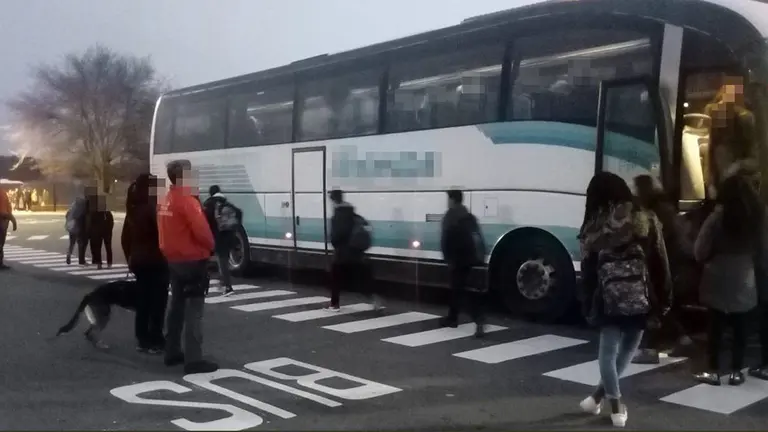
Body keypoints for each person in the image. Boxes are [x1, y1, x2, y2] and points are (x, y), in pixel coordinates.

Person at [578, 172, 672, 428]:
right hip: (641, 296)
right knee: (627, 350)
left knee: (607, 354)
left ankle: (610, 403)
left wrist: (587, 303)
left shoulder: (594, 227)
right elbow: (660, 262)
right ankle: (607, 403)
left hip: (607, 299)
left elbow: (587, 272)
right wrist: (664, 300)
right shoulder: (647, 220)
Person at [693, 174, 764, 386]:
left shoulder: (717, 217)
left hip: (717, 274)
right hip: (744, 273)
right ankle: (736, 371)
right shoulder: (758, 217)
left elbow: (700, 249)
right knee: (741, 326)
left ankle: (713, 370)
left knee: (715, 326)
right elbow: (764, 249)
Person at [158, 159, 218, 374]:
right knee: (194, 310)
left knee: (176, 306)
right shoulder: (188, 201)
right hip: (193, 260)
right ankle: (194, 359)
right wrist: (212, 247)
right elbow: (202, 232)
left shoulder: (166, 199)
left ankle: (171, 350)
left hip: (173, 259)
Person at [631, 175, 693, 364]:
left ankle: (650, 350)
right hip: (673, 264)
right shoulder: (664, 207)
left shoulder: (653, 213)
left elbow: (656, 242)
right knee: (663, 307)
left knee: (653, 306)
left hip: (664, 264)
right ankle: (682, 339)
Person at [122, 173, 169, 355]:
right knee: (158, 302)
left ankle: (142, 339)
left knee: (143, 302)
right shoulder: (152, 209)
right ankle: (155, 339)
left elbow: (125, 238)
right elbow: (162, 234)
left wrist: (130, 258)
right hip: (156, 261)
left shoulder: (133, 209)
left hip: (139, 261)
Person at [439, 189, 486, 338]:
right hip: (470, 258)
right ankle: (452, 318)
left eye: (449, 199)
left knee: (459, 290)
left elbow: (445, 239)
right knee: (458, 289)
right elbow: (477, 237)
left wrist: (447, 258)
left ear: (452, 200)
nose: (447, 201)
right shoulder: (469, 216)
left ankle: (478, 318)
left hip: (456, 259)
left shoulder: (450, 216)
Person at [326, 189, 381, 312]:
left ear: (333, 200)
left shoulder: (338, 215)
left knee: (335, 279)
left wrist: (335, 243)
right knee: (360, 278)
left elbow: (337, 236)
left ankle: (334, 305)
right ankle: (374, 299)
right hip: (357, 253)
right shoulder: (352, 213)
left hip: (342, 253)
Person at [203, 185, 243, 297]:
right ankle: (222, 283)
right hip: (230, 236)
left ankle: (227, 287)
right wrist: (235, 228)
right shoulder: (226, 203)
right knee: (223, 261)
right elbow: (239, 212)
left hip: (218, 237)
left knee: (220, 262)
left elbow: (205, 221)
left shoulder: (209, 204)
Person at [87, 192, 114, 269]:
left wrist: (91, 232)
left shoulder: (95, 212)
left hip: (98, 232)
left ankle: (99, 263)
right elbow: (111, 222)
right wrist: (109, 230)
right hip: (106, 232)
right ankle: (109, 263)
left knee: (98, 248)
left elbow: (91, 223)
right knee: (108, 247)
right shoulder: (107, 212)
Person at [65, 191, 88, 265]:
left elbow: (67, 215)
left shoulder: (73, 206)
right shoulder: (82, 207)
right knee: (80, 243)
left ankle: (69, 254)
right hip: (78, 228)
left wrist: (69, 221)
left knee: (71, 243)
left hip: (72, 227)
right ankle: (81, 260)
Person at [0, 186, 18, 270]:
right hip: (2, 220)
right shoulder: (2, 193)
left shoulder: (2, 192)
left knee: (1, 243)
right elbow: (3, 211)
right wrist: (12, 220)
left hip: (4, 220)